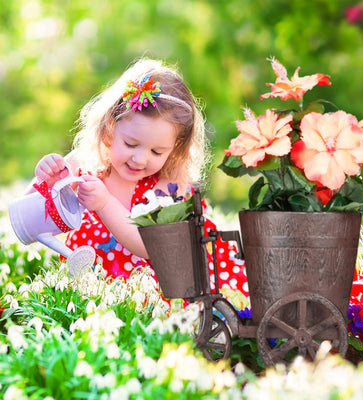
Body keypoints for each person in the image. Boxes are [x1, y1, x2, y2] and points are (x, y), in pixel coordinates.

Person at [26, 58, 249, 299]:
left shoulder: (170, 184)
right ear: (111, 126)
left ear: (175, 147)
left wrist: (103, 204)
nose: (140, 159)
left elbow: (149, 246)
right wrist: (47, 182)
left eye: (157, 152)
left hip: (165, 294)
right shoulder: (84, 162)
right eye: (130, 144)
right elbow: (27, 219)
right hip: (95, 300)